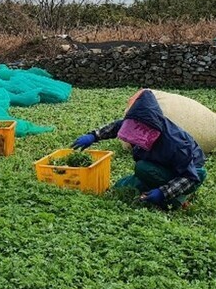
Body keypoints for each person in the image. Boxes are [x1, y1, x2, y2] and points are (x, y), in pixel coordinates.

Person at [71, 88, 206, 208]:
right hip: (159, 165)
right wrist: (94, 136)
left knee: (145, 172)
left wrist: (163, 192)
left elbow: (189, 177)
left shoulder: (176, 144)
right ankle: (155, 185)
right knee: (121, 186)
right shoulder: (139, 122)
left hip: (188, 173)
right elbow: (118, 126)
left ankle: (180, 197)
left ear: (151, 131)